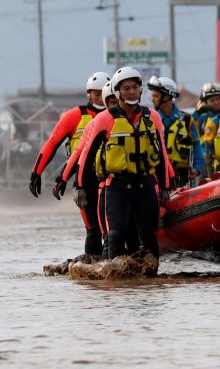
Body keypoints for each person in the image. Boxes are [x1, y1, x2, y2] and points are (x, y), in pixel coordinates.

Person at [74, 67, 174, 259]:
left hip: (145, 184)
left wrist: (165, 187)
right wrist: (80, 186)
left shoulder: (152, 117)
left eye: (135, 87)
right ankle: (117, 284)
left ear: (140, 90)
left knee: (148, 236)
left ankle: (150, 284)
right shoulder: (105, 119)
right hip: (116, 187)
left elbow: (162, 155)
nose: (131, 92)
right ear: (118, 92)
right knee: (116, 235)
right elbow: (86, 155)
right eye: (126, 88)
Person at [53, 80, 139, 258]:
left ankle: (135, 278)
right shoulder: (98, 123)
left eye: (117, 103)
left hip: (132, 185)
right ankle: (100, 276)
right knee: (102, 232)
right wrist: (65, 179)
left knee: (132, 233)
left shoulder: (135, 122)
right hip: (103, 185)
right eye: (111, 103)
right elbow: (78, 154)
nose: (114, 107)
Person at [29, 71, 110, 256]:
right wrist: (36, 173)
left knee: (114, 229)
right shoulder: (74, 116)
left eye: (103, 93)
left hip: (112, 177)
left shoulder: (117, 115)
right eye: (96, 93)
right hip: (85, 180)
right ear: (88, 93)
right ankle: (93, 277)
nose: (100, 97)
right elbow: (51, 144)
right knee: (93, 229)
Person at [148, 76, 204, 187]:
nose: (152, 99)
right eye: (152, 96)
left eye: (155, 96)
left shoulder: (187, 121)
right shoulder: (149, 120)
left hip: (182, 178)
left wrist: (197, 169)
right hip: (156, 177)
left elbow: (197, 147)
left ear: (167, 96)